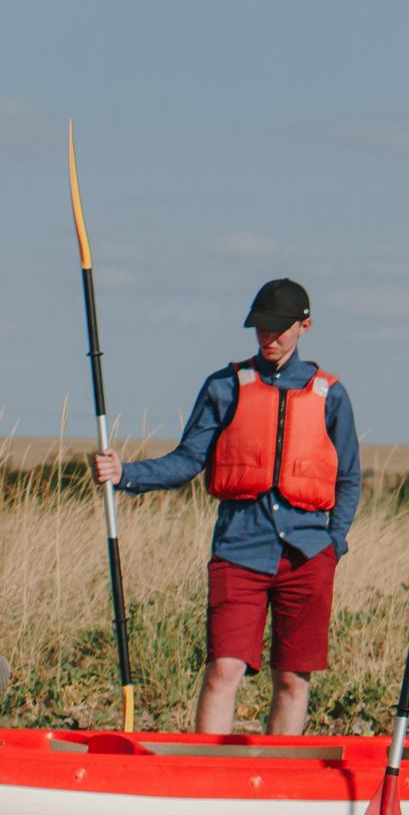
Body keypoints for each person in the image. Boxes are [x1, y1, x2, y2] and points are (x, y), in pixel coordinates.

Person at [91, 279, 361, 734]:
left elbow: (349, 477)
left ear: (304, 326)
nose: (268, 339)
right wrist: (127, 474)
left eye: (278, 329)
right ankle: (207, 777)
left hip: (309, 557)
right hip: (238, 552)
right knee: (223, 672)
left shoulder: (330, 394)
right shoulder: (225, 386)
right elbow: (187, 461)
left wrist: (334, 544)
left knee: (293, 680)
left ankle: (279, 786)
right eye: (260, 328)